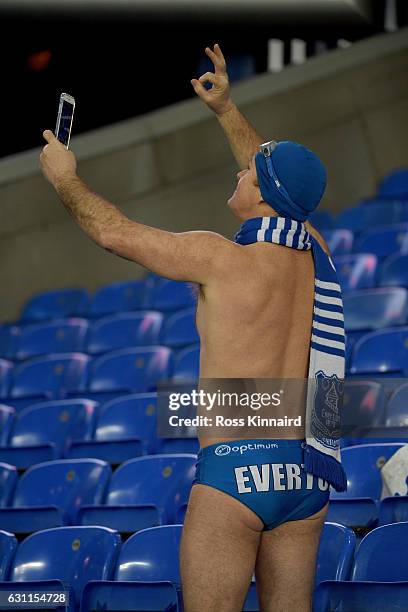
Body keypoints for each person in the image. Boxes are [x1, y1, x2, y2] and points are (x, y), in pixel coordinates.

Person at [39, 43, 345, 612]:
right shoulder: (316, 256)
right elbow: (284, 187)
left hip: (235, 473)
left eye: (249, 173)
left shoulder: (219, 258)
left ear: (263, 193)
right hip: (305, 475)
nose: (239, 169)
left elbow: (114, 234)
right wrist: (227, 112)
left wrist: (64, 179)